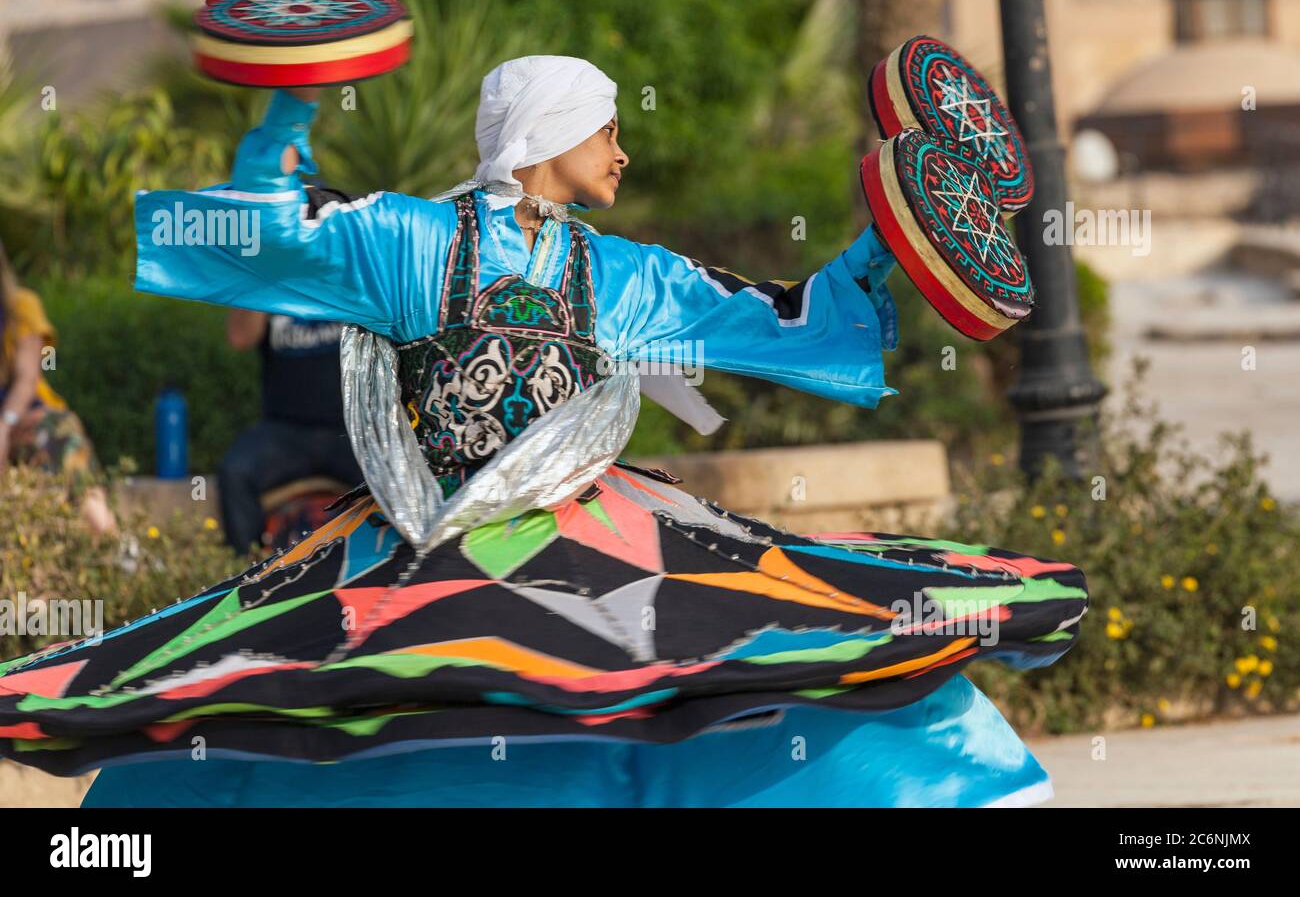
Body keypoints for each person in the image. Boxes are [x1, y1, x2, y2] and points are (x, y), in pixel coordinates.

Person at [0, 56, 1088, 807]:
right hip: (418, 535)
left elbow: (782, 318)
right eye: (608, 129)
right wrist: (284, 116)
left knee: (726, 648)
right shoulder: (404, 243)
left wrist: (888, 246)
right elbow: (268, 241)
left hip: (591, 532)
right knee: (311, 679)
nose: (622, 154)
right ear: (553, 134)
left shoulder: (619, 272)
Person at [218, 309, 364, 555]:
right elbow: (240, 338)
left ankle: (398, 573)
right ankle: (244, 576)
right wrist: (261, 275)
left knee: (394, 475)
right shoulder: (270, 276)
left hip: (352, 430)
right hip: (284, 430)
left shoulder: (353, 272)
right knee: (235, 472)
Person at [0, 240, 117, 536]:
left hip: (29, 421)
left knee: (58, 436)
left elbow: (27, 381)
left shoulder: (20, 307)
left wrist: (4, 425)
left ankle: (109, 538)